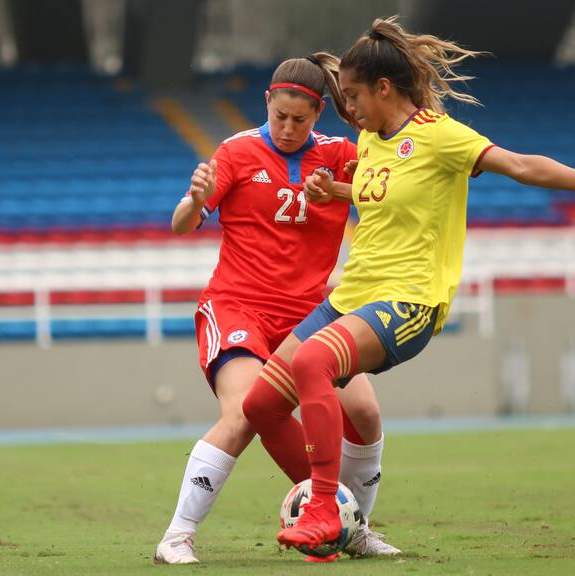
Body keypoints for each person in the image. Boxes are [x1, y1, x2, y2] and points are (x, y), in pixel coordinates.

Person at [242, 16, 575, 553]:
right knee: (260, 406)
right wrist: (336, 193)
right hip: (350, 299)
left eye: (353, 96)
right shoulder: (371, 140)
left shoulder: (440, 138)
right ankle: (344, 517)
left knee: (311, 363)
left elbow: (520, 165)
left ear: (383, 88)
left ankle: (325, 509)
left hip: (408, 301)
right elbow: (384, 194)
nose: (349, 110)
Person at [153, 53, 402, 564]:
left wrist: (346, 185)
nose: (287, 129)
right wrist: (194, 201)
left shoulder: (340, 154)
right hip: (237, 306)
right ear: (267, 101)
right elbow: (183, 223)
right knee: (245, 413)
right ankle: (177, 535)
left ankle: (355, 527)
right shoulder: (235, 151)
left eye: (300, 120)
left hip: (312, 313)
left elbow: (392, 186)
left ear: (318, 116)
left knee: (365, 410)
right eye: (279, 116)